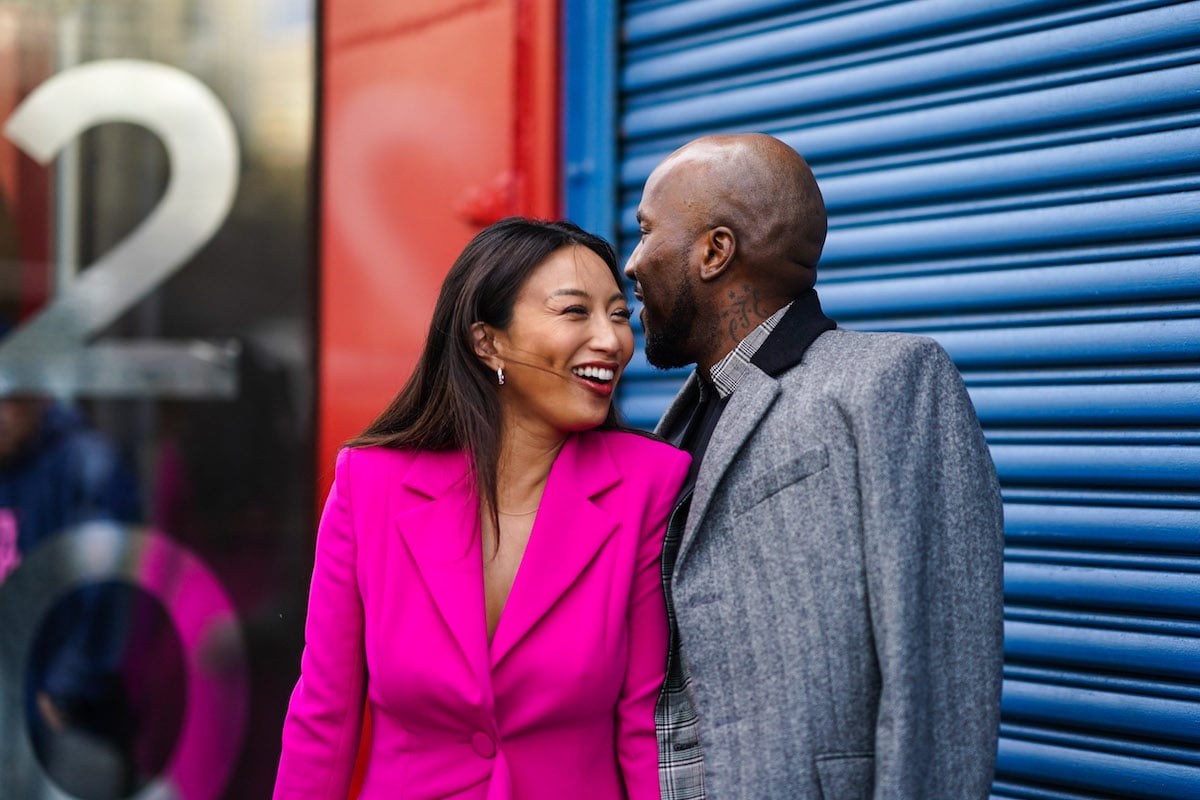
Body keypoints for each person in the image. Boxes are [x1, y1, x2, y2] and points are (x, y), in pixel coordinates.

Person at [625, 133, 1004, 799]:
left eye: (648, 231)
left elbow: (941, 667)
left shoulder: (890, 381)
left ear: (715, 251)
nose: (631, 264)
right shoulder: (678, 422)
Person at [274, 217, 691, 799]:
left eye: (619, 314)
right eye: (576, 312)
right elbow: (324, 716)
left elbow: (646, 724)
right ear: (486, 340)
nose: (612, 340)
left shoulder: (650, 483)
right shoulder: (370, 484)